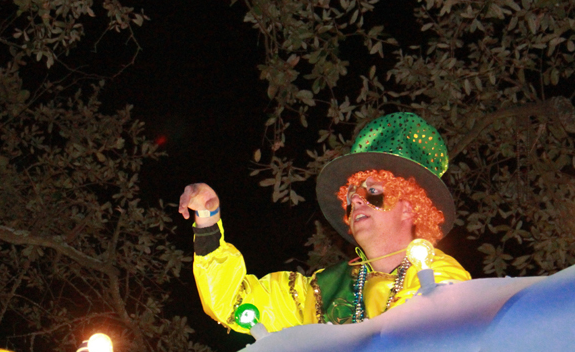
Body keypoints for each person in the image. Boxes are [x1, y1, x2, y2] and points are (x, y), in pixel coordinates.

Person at [178, 112, 471, 334]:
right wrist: (207, 221)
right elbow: (236, 302)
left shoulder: (441, 277)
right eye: (352, 194)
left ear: (409, 206)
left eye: (372, 191)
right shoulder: (322, 291)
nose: (356, 200)